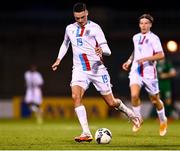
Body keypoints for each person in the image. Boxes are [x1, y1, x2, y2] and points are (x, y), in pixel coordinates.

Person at [51, 2, 140, 142]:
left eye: (82, 17)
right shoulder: (69, 29)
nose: (80, 21)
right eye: (77, 18)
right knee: (75, 96)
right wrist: (58, 59)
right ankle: (86, 133)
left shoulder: (95, 28)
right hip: (80, 69)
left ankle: (130, 113)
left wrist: (101, 50)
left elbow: (108, 50)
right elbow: (65, 43)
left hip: (97, 70)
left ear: (87, 13)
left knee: (111, 103)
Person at [122, 14, 168, 136]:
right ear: (139, 24)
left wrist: (146, 59)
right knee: (134, 95)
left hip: (149, 73)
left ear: (150, 25)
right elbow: (135, 51)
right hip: (136, 71)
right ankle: (138, 119)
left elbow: (161, 55)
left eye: (146, 23)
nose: (143, 25)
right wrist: (129, 61)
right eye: (141, 23)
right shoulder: (135, 37)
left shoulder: (154, 38)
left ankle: (163, 120)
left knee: (155, 100)